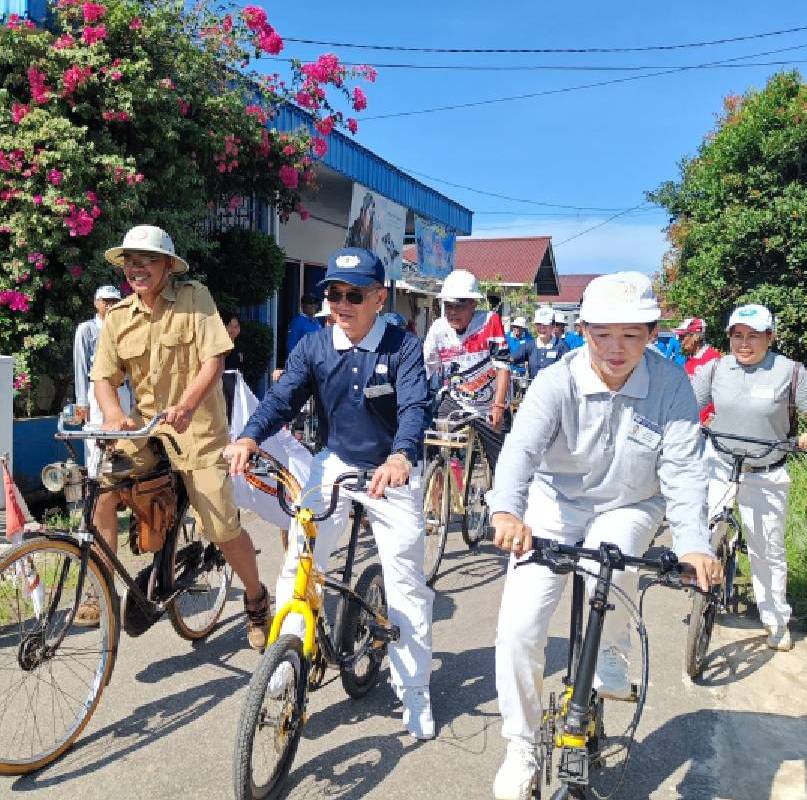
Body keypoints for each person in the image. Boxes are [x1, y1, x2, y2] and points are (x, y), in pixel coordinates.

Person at [486, 272, 719, 800]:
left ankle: (610, 646)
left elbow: (683, 469)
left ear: (653, 333)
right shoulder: (556, 380)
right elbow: (520, 451)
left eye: (631, 335)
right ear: (583, 330)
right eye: (602, 334)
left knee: (604, 579)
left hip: (630, 502)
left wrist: (694, 542)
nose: (616, 349)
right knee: (519, 629)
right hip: (555, 502)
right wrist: (507, 511)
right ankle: (520, 746)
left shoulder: (670, 384)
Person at [225, 246, 436, 740]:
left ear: (379, 297)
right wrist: (250, 435)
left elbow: (414, 408)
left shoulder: (402, 347)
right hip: (337, 462)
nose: (341, 304)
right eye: (333, 294)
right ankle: (286, 662)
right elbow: (283, 397)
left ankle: (415, 693)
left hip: (392, 470)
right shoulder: (316, 346)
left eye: (353, 294)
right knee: (300, 559)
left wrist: (401, 456)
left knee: (406, 588)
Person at [90, 224, 272, 649]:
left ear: (168, 266)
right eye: (130, 262)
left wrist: (188, 406)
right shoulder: (118, 317)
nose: (137, 269)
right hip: (146, 428)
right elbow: (103, 376)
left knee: (221, 526)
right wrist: (115, 414)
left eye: (147, 260)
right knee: (103, 488)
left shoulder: (194, 298)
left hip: (198, 430)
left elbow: (214, 358)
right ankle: (100, 583)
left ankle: (255, 598)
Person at [693, 304, 807, 652]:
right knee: (703, 534)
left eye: (753, 335)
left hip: (766, 470)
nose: (745, 343)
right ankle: (703, 600)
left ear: (770, 337)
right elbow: (687, 403)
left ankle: (775, 620)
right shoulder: (716, 368)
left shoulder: (789, 371)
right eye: (737, 335)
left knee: (766, 549)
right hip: (720, 462)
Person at [422, 269, 512, 469]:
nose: (453, 312)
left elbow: (502, 366)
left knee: (505, 468)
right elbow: (426, 368)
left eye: (459, 306)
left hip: (490, 403)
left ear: (474, 304)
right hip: (457, 401)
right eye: (448, 306)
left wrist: (498, 406)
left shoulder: (490, 322)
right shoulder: (438, 329)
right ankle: (444, 485)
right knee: (435, 446)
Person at [73, 285, 132, 474]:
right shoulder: (86, 329)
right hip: (96, 389)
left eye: (114, 301)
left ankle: (120, 482)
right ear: (96, 303)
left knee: (125, 433)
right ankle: (94, 481)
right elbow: (80, 366)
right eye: (106, 301)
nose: (110, 305)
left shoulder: (124, 327)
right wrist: (82, 402)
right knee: (96, 433)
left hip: (122, 389)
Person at [674, 317, 720, 424]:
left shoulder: (713, 359)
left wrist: (712, 417)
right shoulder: (690, 359)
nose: (679, 340)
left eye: (682, 336)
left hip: (705, 425)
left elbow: (719, 393)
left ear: (696, 337)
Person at [507, 306, 570, 379]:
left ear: (553, 326)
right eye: (538, 324)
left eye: (545, 325)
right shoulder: (529, 345)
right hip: (533, 388)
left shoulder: (562, 347)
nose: (541, 328)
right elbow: (513, 358)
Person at [286, 292, 322, 358]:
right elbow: (291, 346)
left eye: (315, 303)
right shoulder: (297, 322)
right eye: (310, 303)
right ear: (303, 305)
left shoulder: (317, 322)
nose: (313, 305)